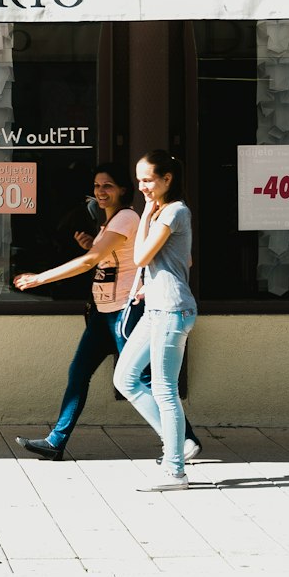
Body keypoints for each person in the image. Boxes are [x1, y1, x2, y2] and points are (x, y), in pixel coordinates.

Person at [11, 164, 150, 461]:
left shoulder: (126, 217)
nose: (101, 191)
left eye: (108, 186)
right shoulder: (109, 223)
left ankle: (183, 439)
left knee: (141, 380)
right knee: (78, 374)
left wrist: (39, 278)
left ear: (123, 189)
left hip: (122, 313)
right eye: (97, 186)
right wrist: (93, 245)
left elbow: (89, 263)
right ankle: (55, 442)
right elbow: (107, 259)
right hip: (103, 314)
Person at [114, 151, 202, 491]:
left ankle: (175, 470)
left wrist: (147, 216)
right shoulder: (167, 213)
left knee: (166, 390)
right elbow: (185, 260)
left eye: (148, 179)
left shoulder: (175, 210)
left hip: (172, 312)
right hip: (158, 309)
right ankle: (179, 444)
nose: (142, 186)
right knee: (125, 377)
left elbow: (139, 257)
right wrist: (150, 288)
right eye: (139, 179)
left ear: (168, 179)